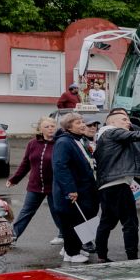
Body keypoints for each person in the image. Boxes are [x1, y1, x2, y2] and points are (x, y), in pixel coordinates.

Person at [90, 108, 140, 262]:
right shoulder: (113, 132)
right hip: (118, 184)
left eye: (128, 119)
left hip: (106, 185)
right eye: (124, 120)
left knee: (107, 222)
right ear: (112, 122)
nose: (128, 122)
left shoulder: (102, 136)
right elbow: (137, 135)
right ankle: (132, 258)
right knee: (130, 223)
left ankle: (101, 256)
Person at [47, 112, 100, 263]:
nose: (83, 125)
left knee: (83, 219)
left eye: (82, 121)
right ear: (68, 127)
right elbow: (60, 166)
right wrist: (70, 189)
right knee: (72, 221)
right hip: (73, 190)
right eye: (78, 123)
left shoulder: (79, 140)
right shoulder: (64, 142)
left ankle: (76, 248)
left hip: (85, 188)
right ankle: (70, 253)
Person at [8, 116, 58, 244]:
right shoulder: (32, 143)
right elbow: (25, 164)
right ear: (40, 129)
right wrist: (14, 179)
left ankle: (64, 235)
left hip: (54, 186)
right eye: (47, 127)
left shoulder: (60, 143)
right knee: (26, 211)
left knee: (58, 212)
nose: (50, 129)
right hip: (35, 186)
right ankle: (13, 236)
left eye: (52, 126)